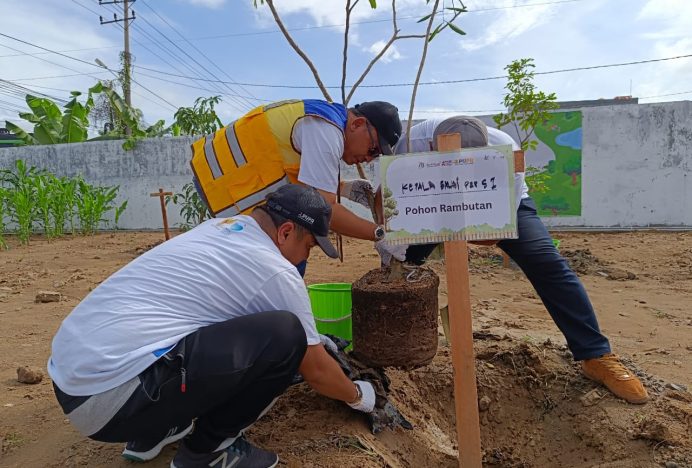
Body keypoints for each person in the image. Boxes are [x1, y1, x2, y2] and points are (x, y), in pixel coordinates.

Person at [48, 184, 378, 468]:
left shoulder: (221, 229)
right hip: (114, 400)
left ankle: (154, 430)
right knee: (286, 336)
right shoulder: (275, 269)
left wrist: (316, 337)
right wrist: (360, 396)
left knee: (200, 323)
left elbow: (226, 312)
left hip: (75, 383)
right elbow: (316, 370)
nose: (305, 257)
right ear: (286, 231)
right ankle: (208, 452)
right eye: (309, 247)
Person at [345, 115, 648, 405]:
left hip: (496, 204)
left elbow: (491, 236)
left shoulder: (504, 156)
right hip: (431, 202)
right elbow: (396, 201)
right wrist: (402, 233)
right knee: (398, 270)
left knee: (549, 264)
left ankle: (595, 355)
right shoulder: (412, 145)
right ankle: (390, 353)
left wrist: (453, 226)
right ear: (433, 148)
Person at [190, 99, 407, 272]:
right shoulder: (325, 131)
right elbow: (325, 209)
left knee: (287, 255)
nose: (369, 159)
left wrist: (344, 189)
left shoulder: (326, 120)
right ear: (357, 124)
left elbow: (298, 177)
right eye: (373, 149)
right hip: (220, 180)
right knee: (287, 259)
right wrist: (381, 234)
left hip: (226, 177)